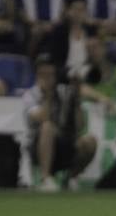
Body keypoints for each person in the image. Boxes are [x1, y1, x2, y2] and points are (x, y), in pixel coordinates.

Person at [23, 56, 98, 192]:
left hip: (64, 143)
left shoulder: (65, 91)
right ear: (37, 76)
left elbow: (80, 126)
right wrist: (47, 95)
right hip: (39, 146)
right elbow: (42, 117)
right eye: (43, 75)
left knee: (90, 141)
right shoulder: (30, 95)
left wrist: (77, 99)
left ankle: (71, 178)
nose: (48, 79)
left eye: (50, 75)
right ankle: (46, 179)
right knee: (47, 127)